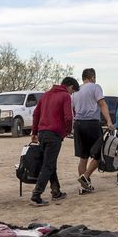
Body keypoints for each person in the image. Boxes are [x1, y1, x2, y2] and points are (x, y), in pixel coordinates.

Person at [29, 77, 77, 206]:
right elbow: (68, 117)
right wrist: (67, 131)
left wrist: (34, 132)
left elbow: (36, 114)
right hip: (54, 134)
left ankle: (56, 191)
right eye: (72, 91)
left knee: (50, 162)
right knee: (49, 165)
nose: (71, 94)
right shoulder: (65, 96)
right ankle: (36, 194)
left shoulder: (45, 95)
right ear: (70, 87)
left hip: (42, 133)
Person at [71, 68, 113, 194]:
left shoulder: (76, 91)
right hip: (92, 124)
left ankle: (84, 186)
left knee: (83, 157)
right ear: (92, 77)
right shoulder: (95, 87)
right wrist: (109, 121)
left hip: (78, 124)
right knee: (100, 153)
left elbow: (72, 108)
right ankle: (86, 176)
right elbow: (102, 104)